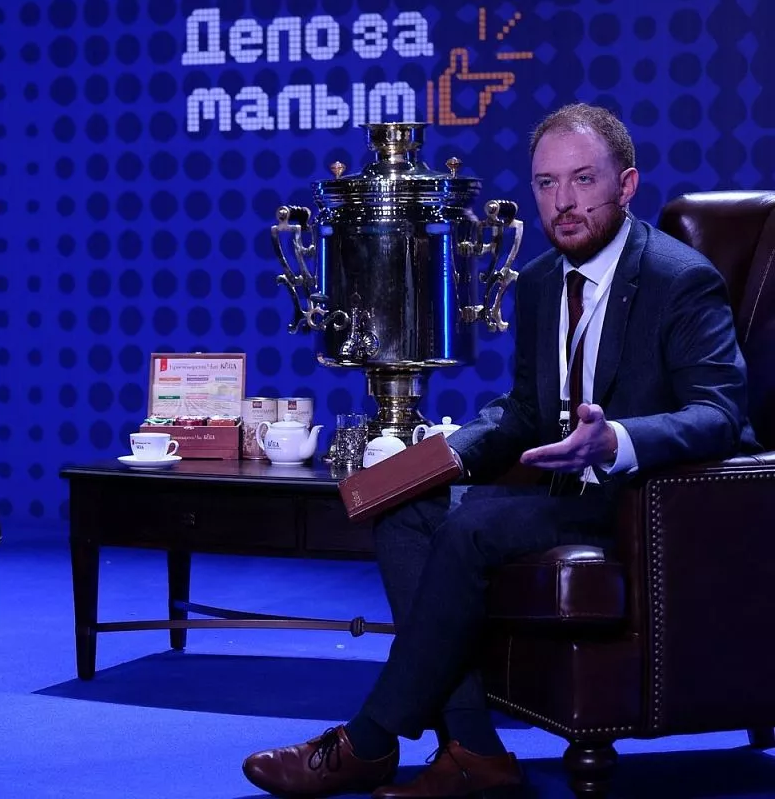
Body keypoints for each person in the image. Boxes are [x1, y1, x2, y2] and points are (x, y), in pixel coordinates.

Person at [242, 103, 762, 798]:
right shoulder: (542, 281)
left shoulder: (680, 280)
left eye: (583, 180)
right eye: (546, 183)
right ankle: (476, 751)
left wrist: (617, 440)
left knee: (474, 525)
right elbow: (522, 412)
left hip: (647, 506)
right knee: (407, 510)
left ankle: (369, 739)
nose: (563, 201)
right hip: (564, 496)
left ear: (627, 184)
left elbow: (720, 415)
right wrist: (443, 456)